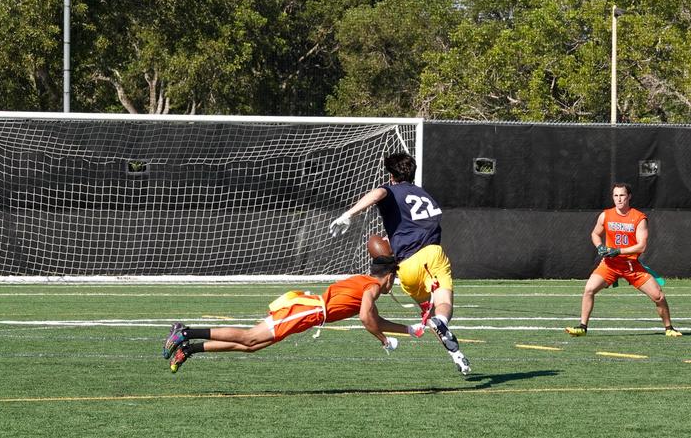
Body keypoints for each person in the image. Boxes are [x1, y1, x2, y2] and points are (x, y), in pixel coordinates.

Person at [328, 152, 471, 376]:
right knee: (442, 308)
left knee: (429, 315)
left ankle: (456, 355)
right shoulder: (424, 194)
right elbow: (415, 224)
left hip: (406, 268)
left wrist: (349, 214)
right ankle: (443, 324)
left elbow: (378, 193)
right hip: (431, 254)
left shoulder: (391, 190)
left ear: (391, 176)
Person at [162, 255, 424, 373]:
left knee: (253, 346)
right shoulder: (373, 287)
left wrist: (410, 330)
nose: (393, 284)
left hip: (306, 312)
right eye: (394, 279)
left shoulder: (366, 283)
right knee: (249, 337)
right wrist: (384, 341)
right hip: (305, 311)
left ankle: (190, 348)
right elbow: (366, 319)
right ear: (388, 276)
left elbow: (375, 319)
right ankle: (184, 332)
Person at [566, 182, 682, 338]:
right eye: (616, 195)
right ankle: (582, 327)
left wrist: (618, 251)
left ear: (629, 197)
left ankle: (669, 328)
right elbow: (595, 234)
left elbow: (641, 246)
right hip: (610, 265)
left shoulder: (639, 218)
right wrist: (600, 246)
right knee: (589, 289)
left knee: (658, 296)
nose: (619, 199)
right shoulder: (605, 215)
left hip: (631, 266)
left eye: (622, 195)